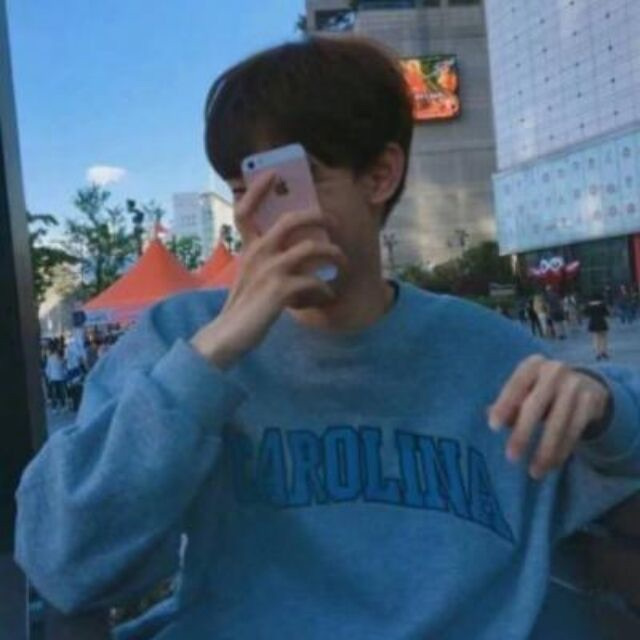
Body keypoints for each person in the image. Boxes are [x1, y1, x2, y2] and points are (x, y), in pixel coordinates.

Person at [14, 37, 640, 640]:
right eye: (241, 190)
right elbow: (59, 558)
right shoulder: (178, 339)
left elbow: (612, 445)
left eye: (286, 185)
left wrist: (606, 407)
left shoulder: (486, 353)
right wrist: (211, 356)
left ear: (380, 175)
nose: (258, 220)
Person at [584, 292, 611, 361]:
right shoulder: (602, 305)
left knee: (596, 338)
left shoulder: (589, 305)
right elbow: (607, 313)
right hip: (602, 322)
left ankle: (598, 353)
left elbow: (585, 314)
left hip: (593, 322)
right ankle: (604, 352)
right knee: (604, 338)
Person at [44, 342, 67, 413]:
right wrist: (65, 375)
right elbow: (64, 369)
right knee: (62, 393)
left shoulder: (50, 358)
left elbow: (47, 369)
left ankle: (54, 408)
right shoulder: (61, 358)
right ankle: (63, 406)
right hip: (61, 378)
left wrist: (49, 377)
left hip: (53, 378)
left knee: (54, 394)